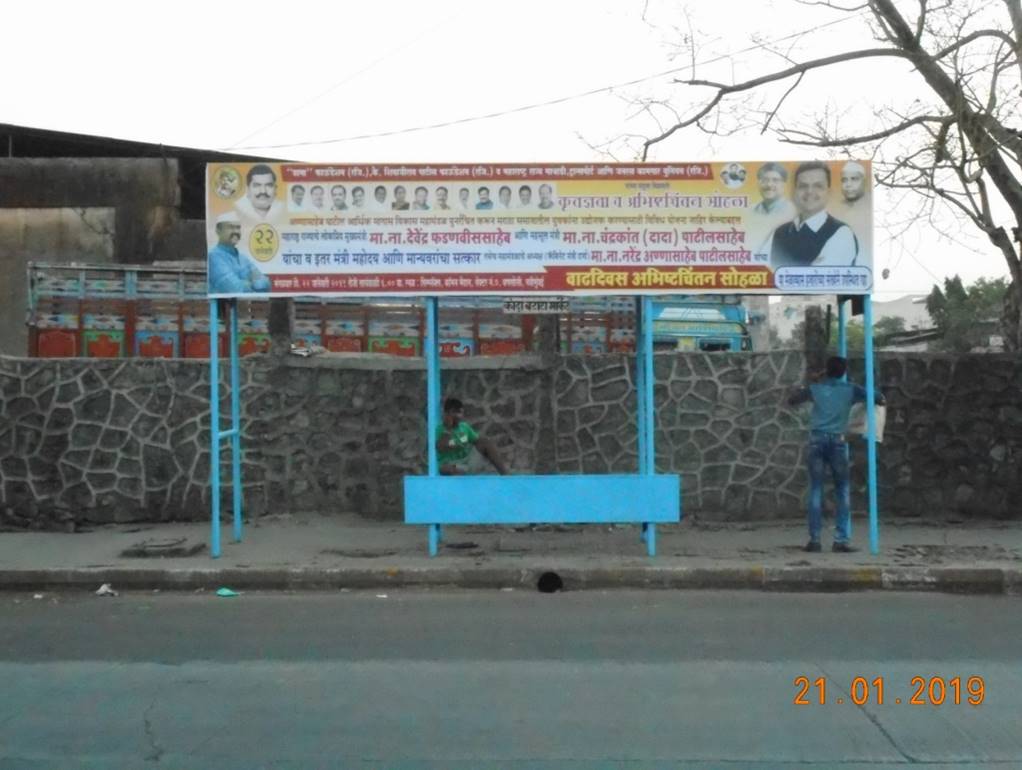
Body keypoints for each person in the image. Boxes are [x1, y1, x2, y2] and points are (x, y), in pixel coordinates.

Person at [787, 356, 885, 553]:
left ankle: (814, 540)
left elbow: (792, 399)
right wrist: (854, 385)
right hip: (837, 442)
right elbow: (878, 397)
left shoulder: (816, 389)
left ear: (826, 370)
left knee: (815, 489)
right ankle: (840, 539)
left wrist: (815, 380)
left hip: (816, 440)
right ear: (843, 371)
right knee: (842, 489)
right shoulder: (850, 389)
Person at [761, 161, 859, 269]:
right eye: (803, 186)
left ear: (829, 192)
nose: (810, 191)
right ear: (795, 192)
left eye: (818, 186)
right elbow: (759, 273)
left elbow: (816, 281)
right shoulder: (779, 232)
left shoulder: (842, 233)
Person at [436, 397, 509, 475]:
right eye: (454, 412)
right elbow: (441, 448)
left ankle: (506, 477)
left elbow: (479, 442)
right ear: (447, 414)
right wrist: (448, 428)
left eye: (460, 412)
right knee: (445, 469)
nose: (459, 416)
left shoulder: (464, 427)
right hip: (452, 465)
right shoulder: (439, 429)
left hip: (468, 462)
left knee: (485, 441)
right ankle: (466, 479)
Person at [208, 211, 271, 294]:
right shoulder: (213, 257)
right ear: (218, 231)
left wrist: (247, 284)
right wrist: (252, 283)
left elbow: (266, 284)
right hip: (222, 305)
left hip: (243, 306)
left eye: (238, 227)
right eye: (230, 227)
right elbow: (234, 288)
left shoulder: (243, 258)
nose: (236, 231)